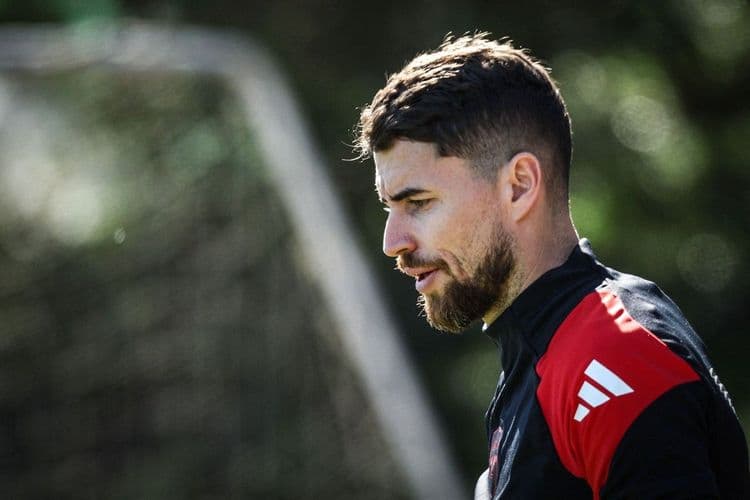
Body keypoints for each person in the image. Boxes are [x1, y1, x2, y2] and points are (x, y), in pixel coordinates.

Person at [354, 33, 750, 499]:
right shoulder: (543, 352)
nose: (392, 243)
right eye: (389, 208)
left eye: (418, 202)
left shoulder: (615, 357)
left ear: (519, 186)